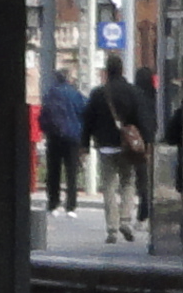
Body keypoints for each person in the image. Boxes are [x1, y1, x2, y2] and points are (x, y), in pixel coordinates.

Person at [95, 65, 152, 240]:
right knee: (128, 182)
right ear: (122, 70)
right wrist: (146, 141)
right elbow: (142, 118)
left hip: (105, 146)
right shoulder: (133, 92)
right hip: (127, 146)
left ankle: (112, 228)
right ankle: (125, 220)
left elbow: (89, 118)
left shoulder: (98, 93)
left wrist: (84, 143)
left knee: (109, 187)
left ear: (108, 72)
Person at [39, 68, 90, 216]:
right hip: (72, 137)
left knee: (53, 171)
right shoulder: (75, 94)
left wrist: (46, 130)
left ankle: (53, 203)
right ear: (68, 79)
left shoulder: (50, 94)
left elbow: (43, 116)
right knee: (71, 172)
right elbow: (84, 112)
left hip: (54, 137)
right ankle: (71, 205)